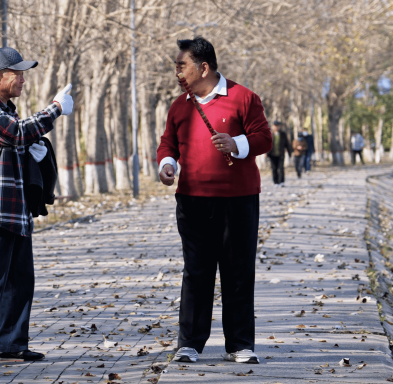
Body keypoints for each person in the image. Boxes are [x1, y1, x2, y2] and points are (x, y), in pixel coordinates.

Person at [157, 36, 272, 365]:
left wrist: (237, 143)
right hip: (193, 201)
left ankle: (239, 344)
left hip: (239, 201)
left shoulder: (243, 98)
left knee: (237, 271)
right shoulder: (180, 105)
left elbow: (264, 137)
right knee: (197, 271)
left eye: (182, 66)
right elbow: (168, 145)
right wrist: (167, 165)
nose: (178, 72)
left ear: (203, 67)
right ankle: (189, 343)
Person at [0, 47, 74, 366]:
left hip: (16, 209)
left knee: (21, 282)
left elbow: (15, 144)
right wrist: (55, 109)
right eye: (17, 74)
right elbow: (15, 134)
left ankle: (11, 343)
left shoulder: (7, 107)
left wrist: (33, 153)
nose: (23, 80)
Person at [267, 122, 292, 186]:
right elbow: (266, 144)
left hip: (281, 154)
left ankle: (281, 181)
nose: (276, 127)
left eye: (277, 126)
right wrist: (265, 153)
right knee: (274, 169)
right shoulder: (270, 134)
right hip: (272, 154)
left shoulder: (283, 134)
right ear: (272, 126)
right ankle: (275, 182)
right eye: (275, 126)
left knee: (281, 168)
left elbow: (287, 144)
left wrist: (290, 153)